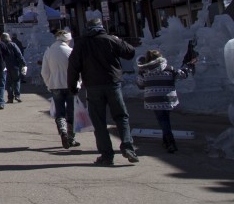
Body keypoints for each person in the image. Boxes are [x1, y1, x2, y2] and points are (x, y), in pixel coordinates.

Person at [68, 10, 138, 166]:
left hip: (93, 86)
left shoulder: (81, 44)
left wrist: (72, 86)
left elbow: (73, 67)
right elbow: (130, 52)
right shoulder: (110, 40)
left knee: (99, 122)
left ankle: (107, 155)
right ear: (101, 27)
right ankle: (128, 147)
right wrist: (119, 40)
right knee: (121, 116)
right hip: (112, 84)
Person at [137, 49, 196, 153]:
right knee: (165, 118)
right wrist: (189, 66)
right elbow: (182, 75)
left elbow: (140, 85)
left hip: (154, 99)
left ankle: (170, 142)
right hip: (168, 98)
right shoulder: (169, 69)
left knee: (162, 120)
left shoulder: (144, 71)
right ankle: (166, 140)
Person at [42, 29, 79, 149]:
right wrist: (78, 82)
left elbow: (44, 71)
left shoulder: (49, 52)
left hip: (55, 85)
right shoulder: (70, 51)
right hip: (70, 85)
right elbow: (77, 70)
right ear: (67, 40)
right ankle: (71, 137)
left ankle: (62, 131)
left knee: (60, 112)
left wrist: (49, 83)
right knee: (71, 112)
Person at [1, 32, 25, 103]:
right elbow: (19, 54)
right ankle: (17, 96)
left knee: (8, 83)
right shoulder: (13, 44)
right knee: (16, 81)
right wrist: (23, 63)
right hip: (15, 66)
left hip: (6, 67)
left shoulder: (2, 45)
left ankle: (10, 98)